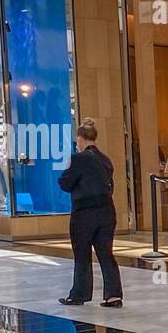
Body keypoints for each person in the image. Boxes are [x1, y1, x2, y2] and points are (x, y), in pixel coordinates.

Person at [57, 118, 123, 308]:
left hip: (84, 213)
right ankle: (113, 295)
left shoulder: (78, 159)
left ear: (79, 138)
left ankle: (79, 294)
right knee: (106, 253)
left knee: (82, 253)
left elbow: (65, 183)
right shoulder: (105, 159)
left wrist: (69, 167)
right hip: (106, 211)